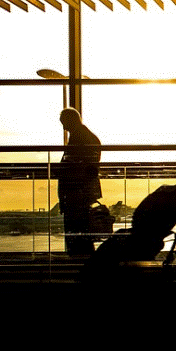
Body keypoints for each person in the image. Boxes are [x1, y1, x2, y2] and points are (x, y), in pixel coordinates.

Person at [56, 107, 102, 256]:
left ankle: (79, 262)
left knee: (77, 233)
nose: (63, 127)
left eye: (64, 122)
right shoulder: (87, 136)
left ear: (71, 120)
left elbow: (81, 166)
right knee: (82, 234)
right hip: (80, 191)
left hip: (76, 192)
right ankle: (83, 262)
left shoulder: (80, 138)